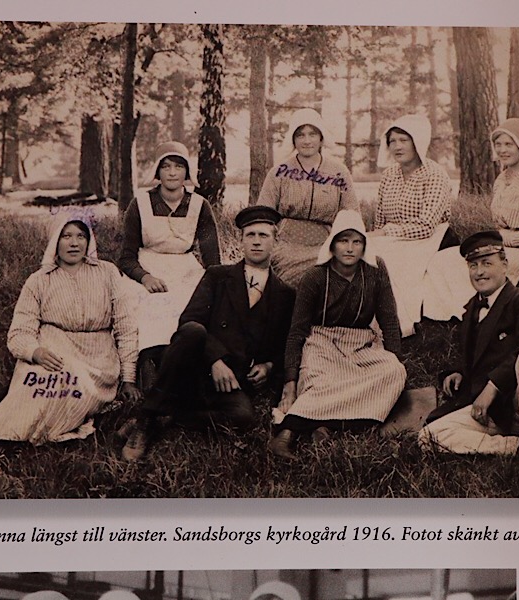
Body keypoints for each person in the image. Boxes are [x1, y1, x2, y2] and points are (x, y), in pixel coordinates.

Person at [0, 214, 141, 461]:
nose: (74, 243)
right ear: (55, 241)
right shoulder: (39, 280)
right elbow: (19, 332)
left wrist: (128, 378)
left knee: (70, 381)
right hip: (51, 349)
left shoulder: (107, 273)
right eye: (66, 236)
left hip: (97, 359)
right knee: (36, 386)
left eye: (81, 236)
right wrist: (35, 352)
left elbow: (126, 328)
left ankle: (2, 440)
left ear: (89, 241)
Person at [121, 206, 295, 461]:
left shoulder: (285, 294)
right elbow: (189, 320)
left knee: (243, 417)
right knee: (192, 331)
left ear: (275, 241)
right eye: (250, 235)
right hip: (196, 367)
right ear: (241, 240)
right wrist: (215, 360)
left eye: (263, 235)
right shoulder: (217, 276)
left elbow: (284, 344)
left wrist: (268, 366)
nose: (256, 242)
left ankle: (169, 417)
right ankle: (145, 422)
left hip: (233, 380)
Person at [419, 230, 519, 497]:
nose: (479, 272)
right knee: (430, 436)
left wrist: (493, 385)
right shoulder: (471, 309)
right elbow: (476, 354)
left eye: (487, 263)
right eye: (473, 265)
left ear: (505, 265)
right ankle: (516, 446)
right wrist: (458, 372)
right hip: (497, 413)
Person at [268, 210, 406, 459]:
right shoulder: (315, 276)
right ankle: (286, 434)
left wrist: (394, 357)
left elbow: (389, 319)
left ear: (364, 244)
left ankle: (326, 424)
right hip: (322, 341)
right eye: (343, 240)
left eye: (357, 241)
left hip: (361, 344)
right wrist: (290, 381)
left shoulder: (376, 269)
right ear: (332, 244)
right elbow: (297, 331)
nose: (350, 248)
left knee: (394, 371)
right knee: (317, 380)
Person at [422, 118, 519, 321]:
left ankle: (479, 315)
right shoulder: (502, 179)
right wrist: (496, 239)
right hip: (506, 242)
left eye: (509, 144)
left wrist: (498, 240)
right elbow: (499, 222)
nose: (502, 150)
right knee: (443, 259)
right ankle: (451, 313)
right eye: (498, 144)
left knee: (478, 264)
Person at [119, 140, 221, 359]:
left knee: (196, 305)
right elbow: (126, 258)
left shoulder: (199, 205)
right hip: (148, 266)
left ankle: (190, 360)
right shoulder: (140, 204)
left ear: (187, 171)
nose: (172, 173)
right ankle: (148, 361)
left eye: (178, 166)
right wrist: (145, 277)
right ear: (157, 171)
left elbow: (213, 260)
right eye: (166, 166)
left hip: (186, 270)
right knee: (148, 304)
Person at [367, 113, 454, 337]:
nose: (397, 146)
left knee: (393, 264)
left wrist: (386, 233)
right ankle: (367, 321)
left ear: (418, 142)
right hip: (394, 237)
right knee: (368, 253)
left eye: (404, 140)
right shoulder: (389, 175)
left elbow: (426, 225)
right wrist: (380, 234)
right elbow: (380, 218)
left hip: (431, 238)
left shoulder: (434, 174)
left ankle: (399, 324)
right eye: (392, 141)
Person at [254, 108, 360, 286]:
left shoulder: (339, 172)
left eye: (312, 134)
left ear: (321, 138)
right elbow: (262, 216)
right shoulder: (279, 172)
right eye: (300, 135)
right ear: (293, 139)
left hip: (326, 244)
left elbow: (352, 215)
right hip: (286, 245)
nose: (307, 140)